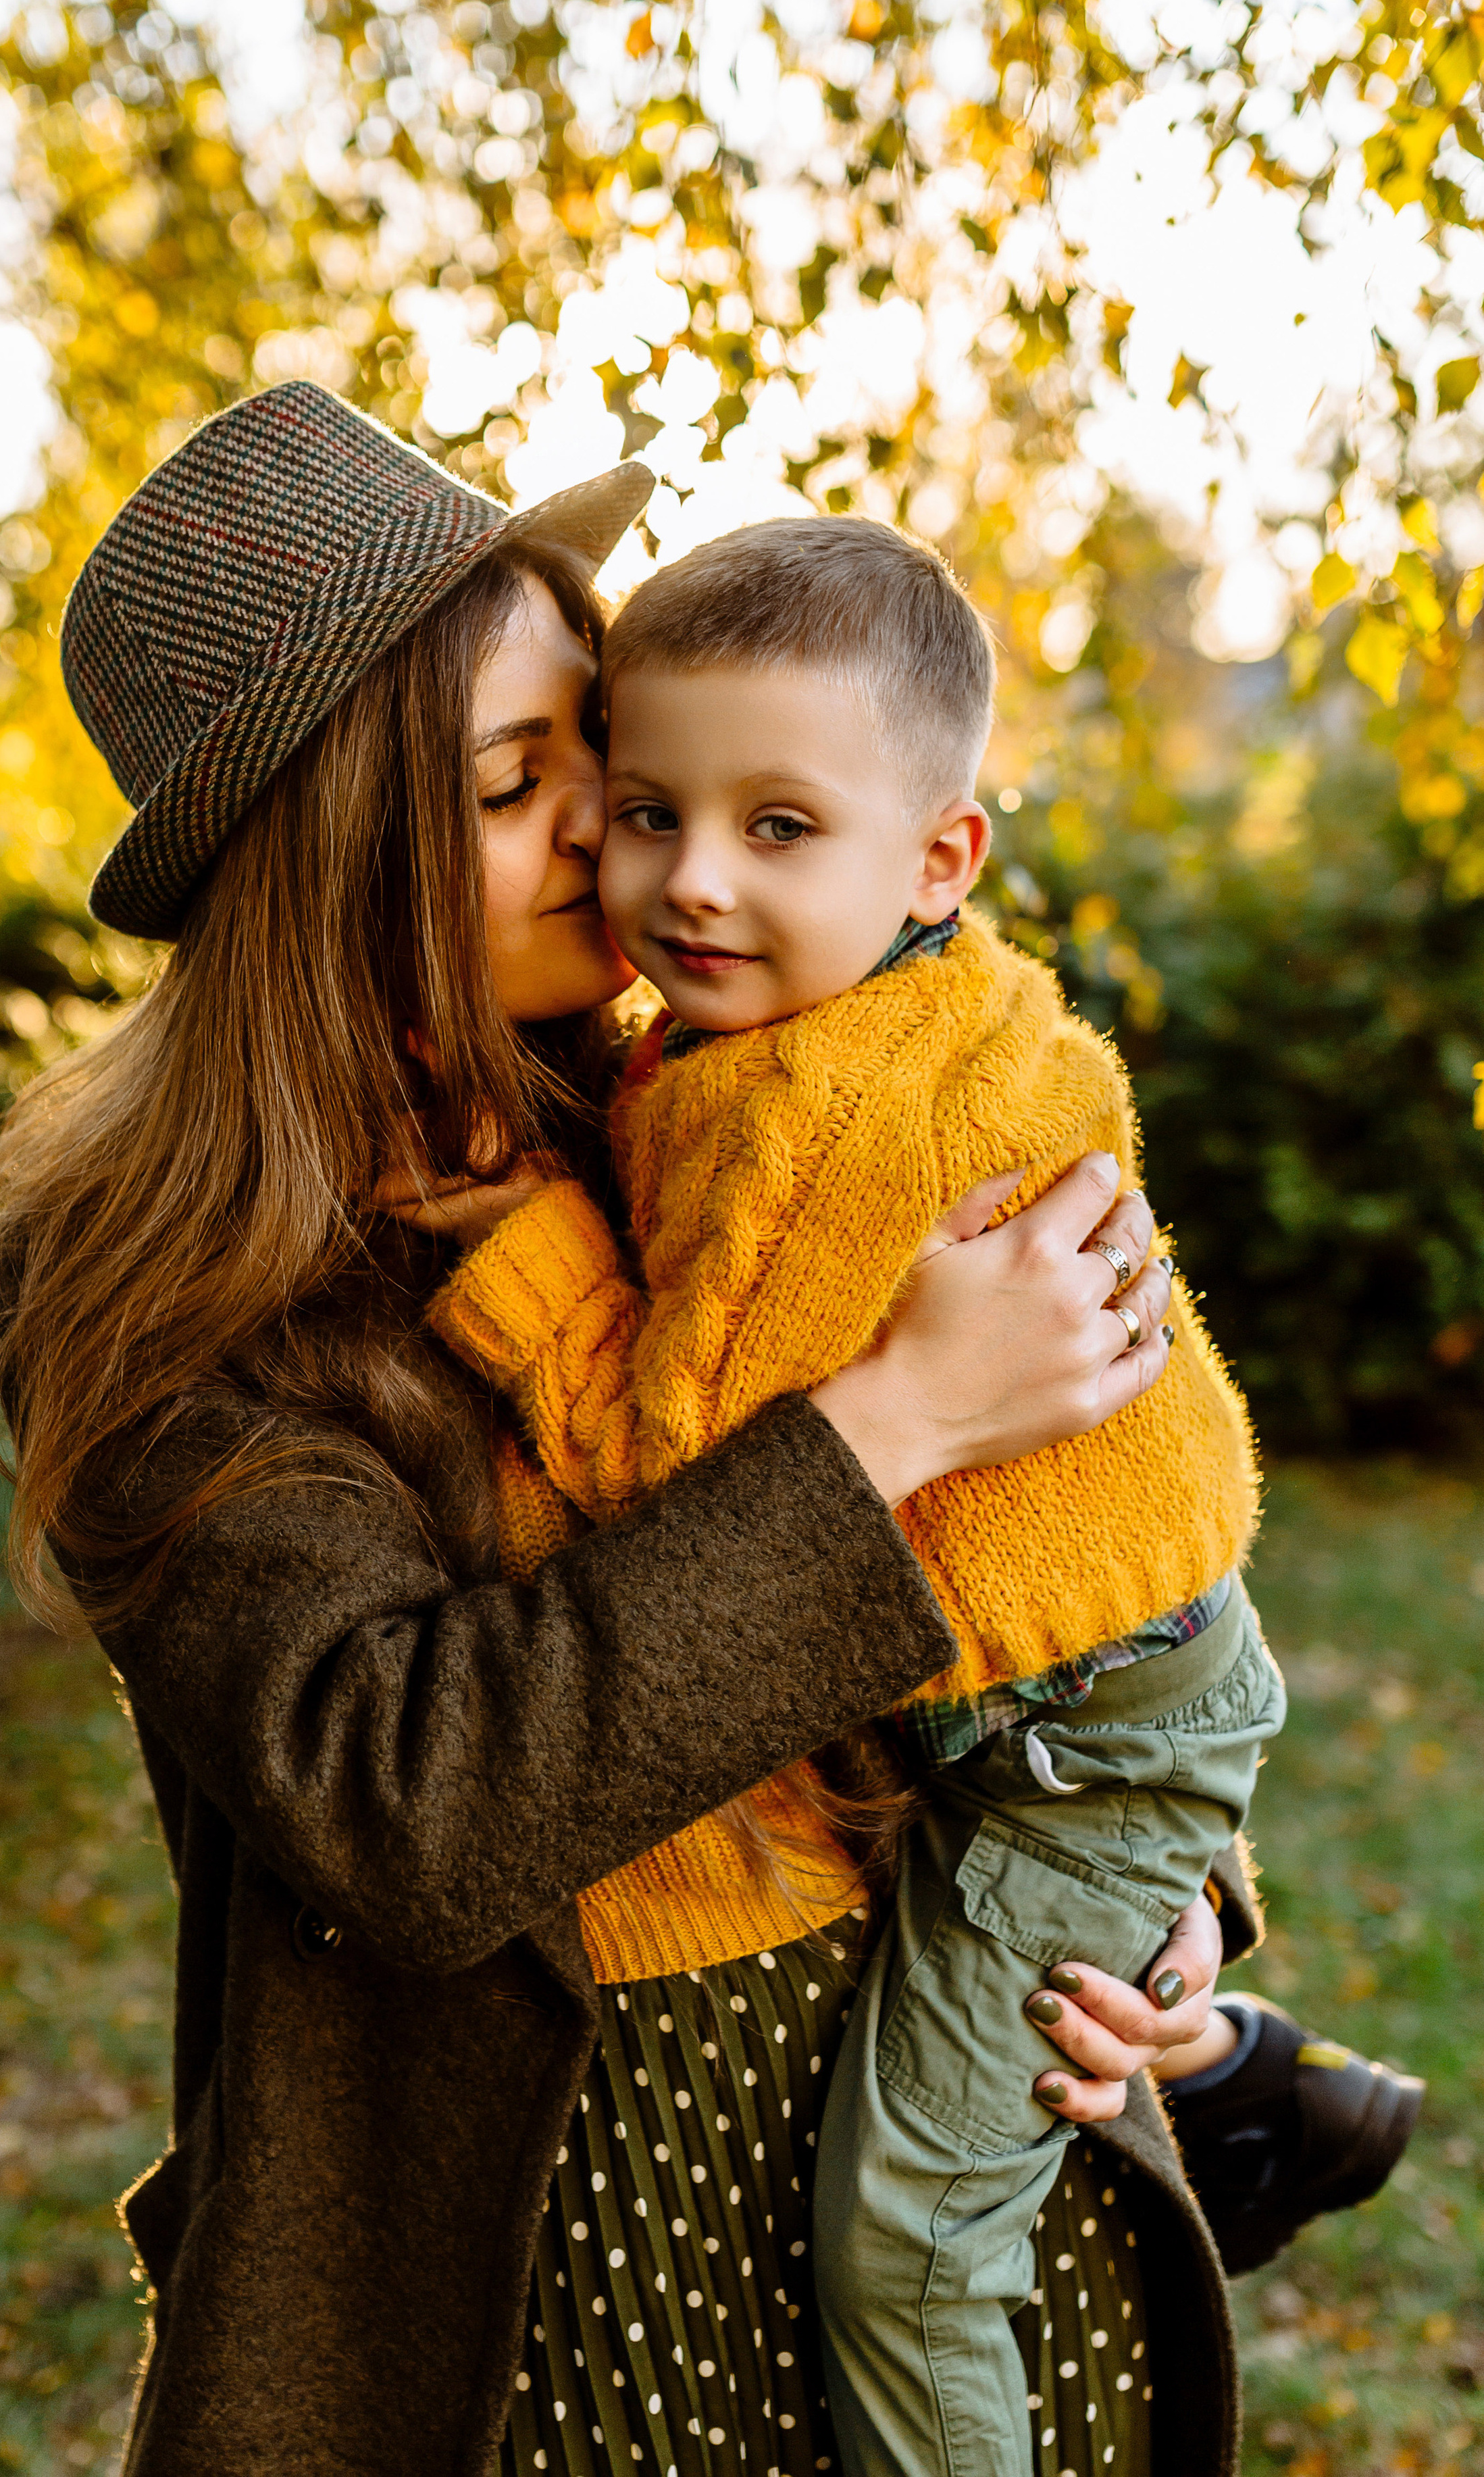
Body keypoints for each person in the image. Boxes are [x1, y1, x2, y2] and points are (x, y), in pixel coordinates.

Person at [0, 382, 1398, 2477]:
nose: (624, 839)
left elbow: (1084, 1513)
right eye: (522, 782)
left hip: (921, 2112)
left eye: (605, 761)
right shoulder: (148, 1269)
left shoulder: (686, 1070)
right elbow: (402, 1803)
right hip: (545, 2241)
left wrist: (1153, 1907)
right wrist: (892, 1415)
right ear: (328, 847)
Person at [418, 511, 1294, 2477]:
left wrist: (524, 1261)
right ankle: (1276, 2097)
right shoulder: (840, 1018)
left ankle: (1253, 2098)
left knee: (911, 2234)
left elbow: (692, 1480)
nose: (685, 881)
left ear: (940, 856)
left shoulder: (826, 1107)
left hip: (1076, 1730)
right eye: (648, 809)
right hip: (1098, 1672)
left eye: (777, 829)